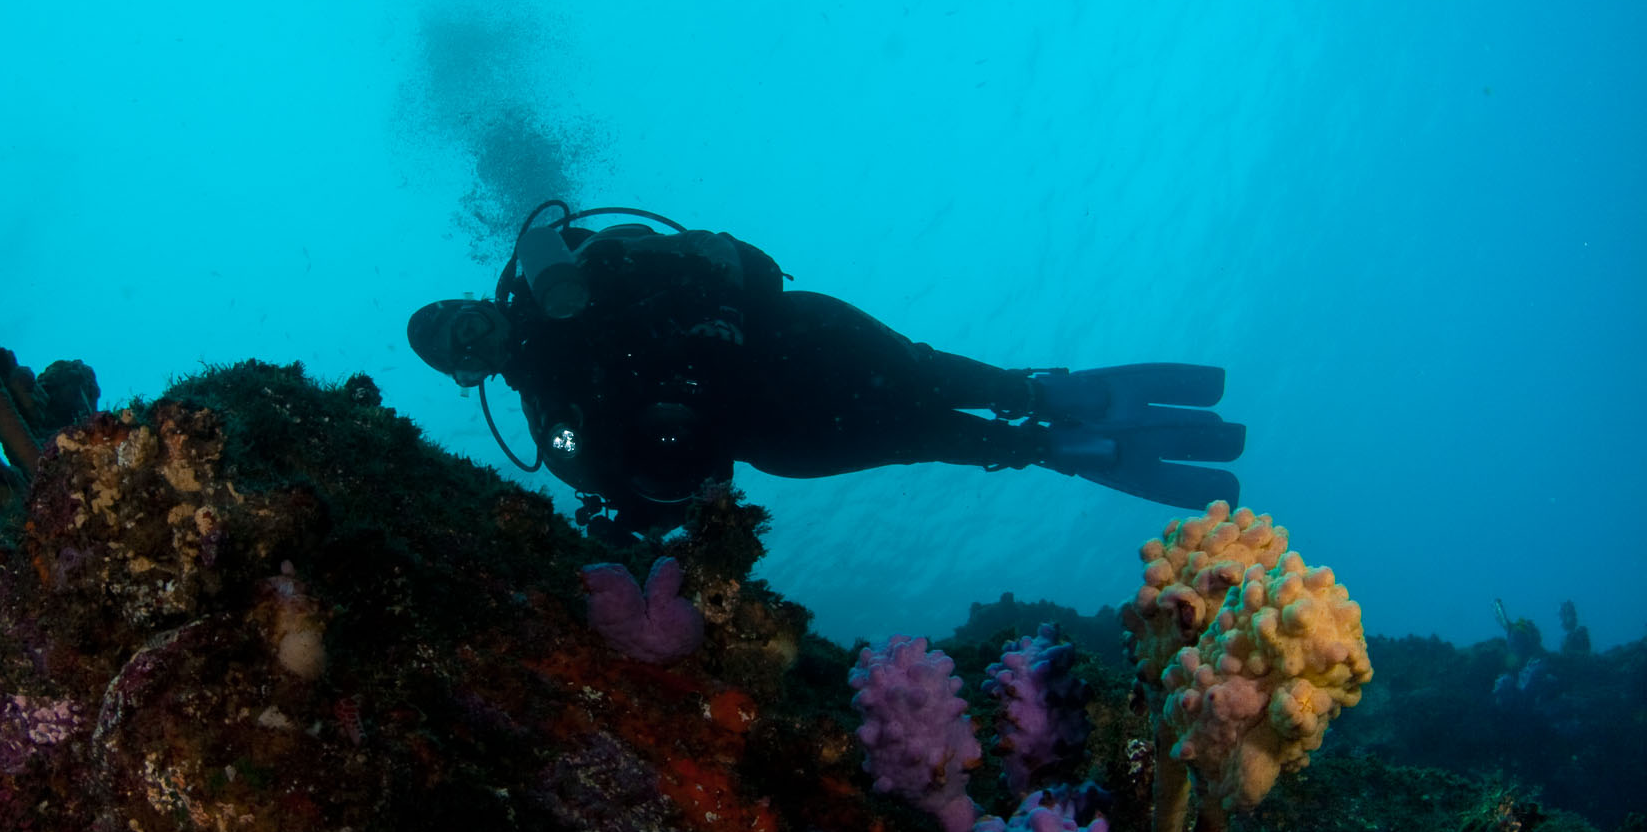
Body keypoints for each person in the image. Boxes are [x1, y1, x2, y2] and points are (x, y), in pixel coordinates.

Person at [408, 202, 1245, 539]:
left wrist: (716, 312)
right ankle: (1049, 446)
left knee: (918, 373)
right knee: (917, 433)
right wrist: (630, 518)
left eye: (460, 318)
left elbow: (727, 259)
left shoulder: (595, 263)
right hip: (774, 432)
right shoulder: (548, 414)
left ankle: (1039, 396)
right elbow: (638, 492)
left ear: (473, 299)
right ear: (465, 376)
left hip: (790, 337)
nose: (472, 335)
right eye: (458, 348)